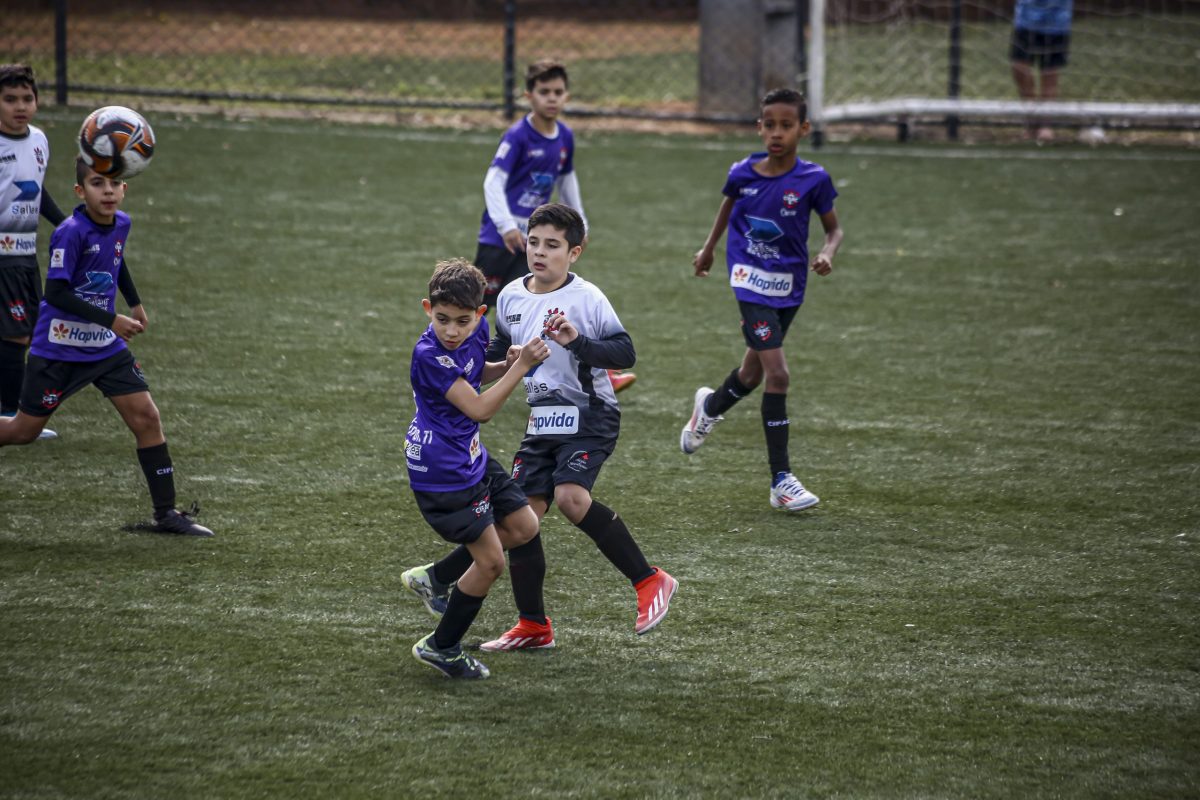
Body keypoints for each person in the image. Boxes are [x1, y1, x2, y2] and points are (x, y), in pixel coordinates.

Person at [403, 204, 677, 651]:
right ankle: (533, 625)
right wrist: (503, 359)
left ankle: (649, 580)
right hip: (542, 419)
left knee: (570, 497)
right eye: (533, 242)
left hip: (589, 414)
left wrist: (578, 341)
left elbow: (624, 353)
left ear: (574, 253)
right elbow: (497, 347)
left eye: (552, 245)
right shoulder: (512, 295)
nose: (540, 252)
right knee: (524, 520)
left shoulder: (587, 298)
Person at [0, 157, 213, 537]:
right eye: (98, 183)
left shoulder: (122, 223)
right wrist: (112, 319)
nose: (108, 191)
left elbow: (116, 258)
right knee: (23, 431)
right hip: (58, 350)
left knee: (146, 417)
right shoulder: (70, 232)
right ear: (80, 191)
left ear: (124, 188)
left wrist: (134, 302)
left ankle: (166, 514)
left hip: (104, 348)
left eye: (114, 183)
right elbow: (56, 293)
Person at [680, 88, 844, 512]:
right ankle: (781, 481)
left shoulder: (814, 180)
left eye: (786, 126)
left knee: (751, 375)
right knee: (779, 375)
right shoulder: (743, 172)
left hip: (789, 287)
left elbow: (834, 229)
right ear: (759, 127)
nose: (776, 133)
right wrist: (709, 248)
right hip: (748, 282)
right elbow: (727, 208)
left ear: (803, 129)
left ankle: (709, 407)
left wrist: (827, 253)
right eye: (769, 125)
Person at [404, 258, 550, 679]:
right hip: (443, 472)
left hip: (470, 457)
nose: (452, 331)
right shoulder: (429, 356)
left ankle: (435, 578)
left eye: (462, 321)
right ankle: (441, 646)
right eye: (442, 319)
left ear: (479, 314)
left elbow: (474, 372)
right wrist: (521, 368)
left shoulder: (477, 330)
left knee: (524, 525)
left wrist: (503, 365)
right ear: (428, 309)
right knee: (490, 563)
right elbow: (480, 408)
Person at [474, 58, 635, 393]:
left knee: (542, 302)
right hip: (501, 239)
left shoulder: (565, 137)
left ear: (567, 96)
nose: (552, 98)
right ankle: (456, 364)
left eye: (558, 92)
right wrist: (505, 225)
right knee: (476, 306)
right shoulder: (518, 136)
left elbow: (567, 181)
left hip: (536, 241)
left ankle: (596, 370)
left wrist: (581, 224)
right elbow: (493, 181)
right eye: (544, 91)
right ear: (528, 96)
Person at [0, 64, 66, 440]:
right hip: (2, 259)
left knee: (25, 334)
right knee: (16, 337)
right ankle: (12, 416)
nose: (20, 106)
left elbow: (36, 189)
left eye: (27, 98)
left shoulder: (39, 140)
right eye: (10, 99)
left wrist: (66, 224)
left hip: (25, 256)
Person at [1010, 0, 1073, 142]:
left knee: (1049, 73)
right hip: (1025, 19)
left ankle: (1045, 124)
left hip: (1057, 20)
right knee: (1019, 68)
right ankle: (1031, 118)